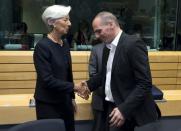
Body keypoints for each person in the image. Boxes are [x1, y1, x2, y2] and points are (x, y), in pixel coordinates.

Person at [76, 11, 161, 131]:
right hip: (113, 109)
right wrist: (88, 85)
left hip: (133, 115)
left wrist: (124, 109)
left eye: (99, 31)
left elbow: (144, 83)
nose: (96, 36)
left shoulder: (133, 44)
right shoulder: (107, 46)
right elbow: (105, 74)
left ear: (111, 24)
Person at [33, 5, 77, 131]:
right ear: (52, 22)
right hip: (48, 104)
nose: (69, 23)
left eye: (69, 19)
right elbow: (47, 80)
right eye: (65, 20)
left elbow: (68, 73)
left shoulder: (65, 44)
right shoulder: (42, 47)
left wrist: (72, 97)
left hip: (65, 101)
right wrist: (74, 87)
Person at [89, 43, 105, 131]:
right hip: (100, 99)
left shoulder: (123, 48)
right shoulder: (96, 49)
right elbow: (93, 75)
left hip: (119, 102)